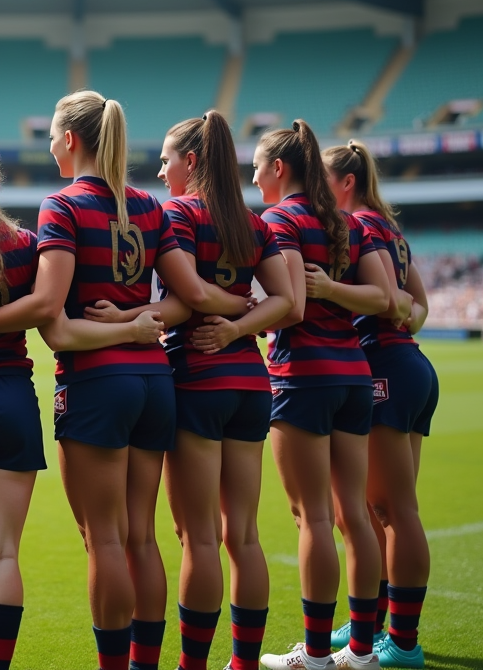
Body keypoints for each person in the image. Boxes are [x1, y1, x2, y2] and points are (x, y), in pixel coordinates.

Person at [0, 91, 252, 670]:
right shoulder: (151, 207)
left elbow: (52, 318)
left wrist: (118, 332)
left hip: (96, 386)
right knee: (142, 538)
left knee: (104, 540)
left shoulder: (64, 206)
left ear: (72, 140)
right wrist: (138, 323)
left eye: (54, 136)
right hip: (155, 384)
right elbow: (186, 301)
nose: (52, 146)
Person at [251, 121, 399, 670]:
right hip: (354, 376)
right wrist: (335, 291)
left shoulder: (280, 219)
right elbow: (386, 297)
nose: (255, 176)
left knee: (311, 518)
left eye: (258, 166)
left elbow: (287, 303)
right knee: (354, 516)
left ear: (279, 169)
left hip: (302, 376)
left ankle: (314, 655)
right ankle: (360, 650)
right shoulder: (345, 222)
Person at [153, 112, 294, 670]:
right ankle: (244, 663)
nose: (162, 171)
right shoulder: (253, 223)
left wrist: (228, 318)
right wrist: (244, 323)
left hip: (197, 381)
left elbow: (188, 292)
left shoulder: (180, 213)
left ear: (191, 161)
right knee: (246, 537)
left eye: (166, 160)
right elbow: (288, 303)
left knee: (200, 539)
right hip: (251, 386)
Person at [323, 140, 437, 669]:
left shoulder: (360, 226)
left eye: (320, 178)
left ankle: (404, 642)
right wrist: (402, 317)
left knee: (391, 511)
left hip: (386, 370)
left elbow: (393, 301)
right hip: (408, 364)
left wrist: (325, 287)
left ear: (345, 182)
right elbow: (418, 308)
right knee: (379, 509)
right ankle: (376, 623)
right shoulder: (391, 229)